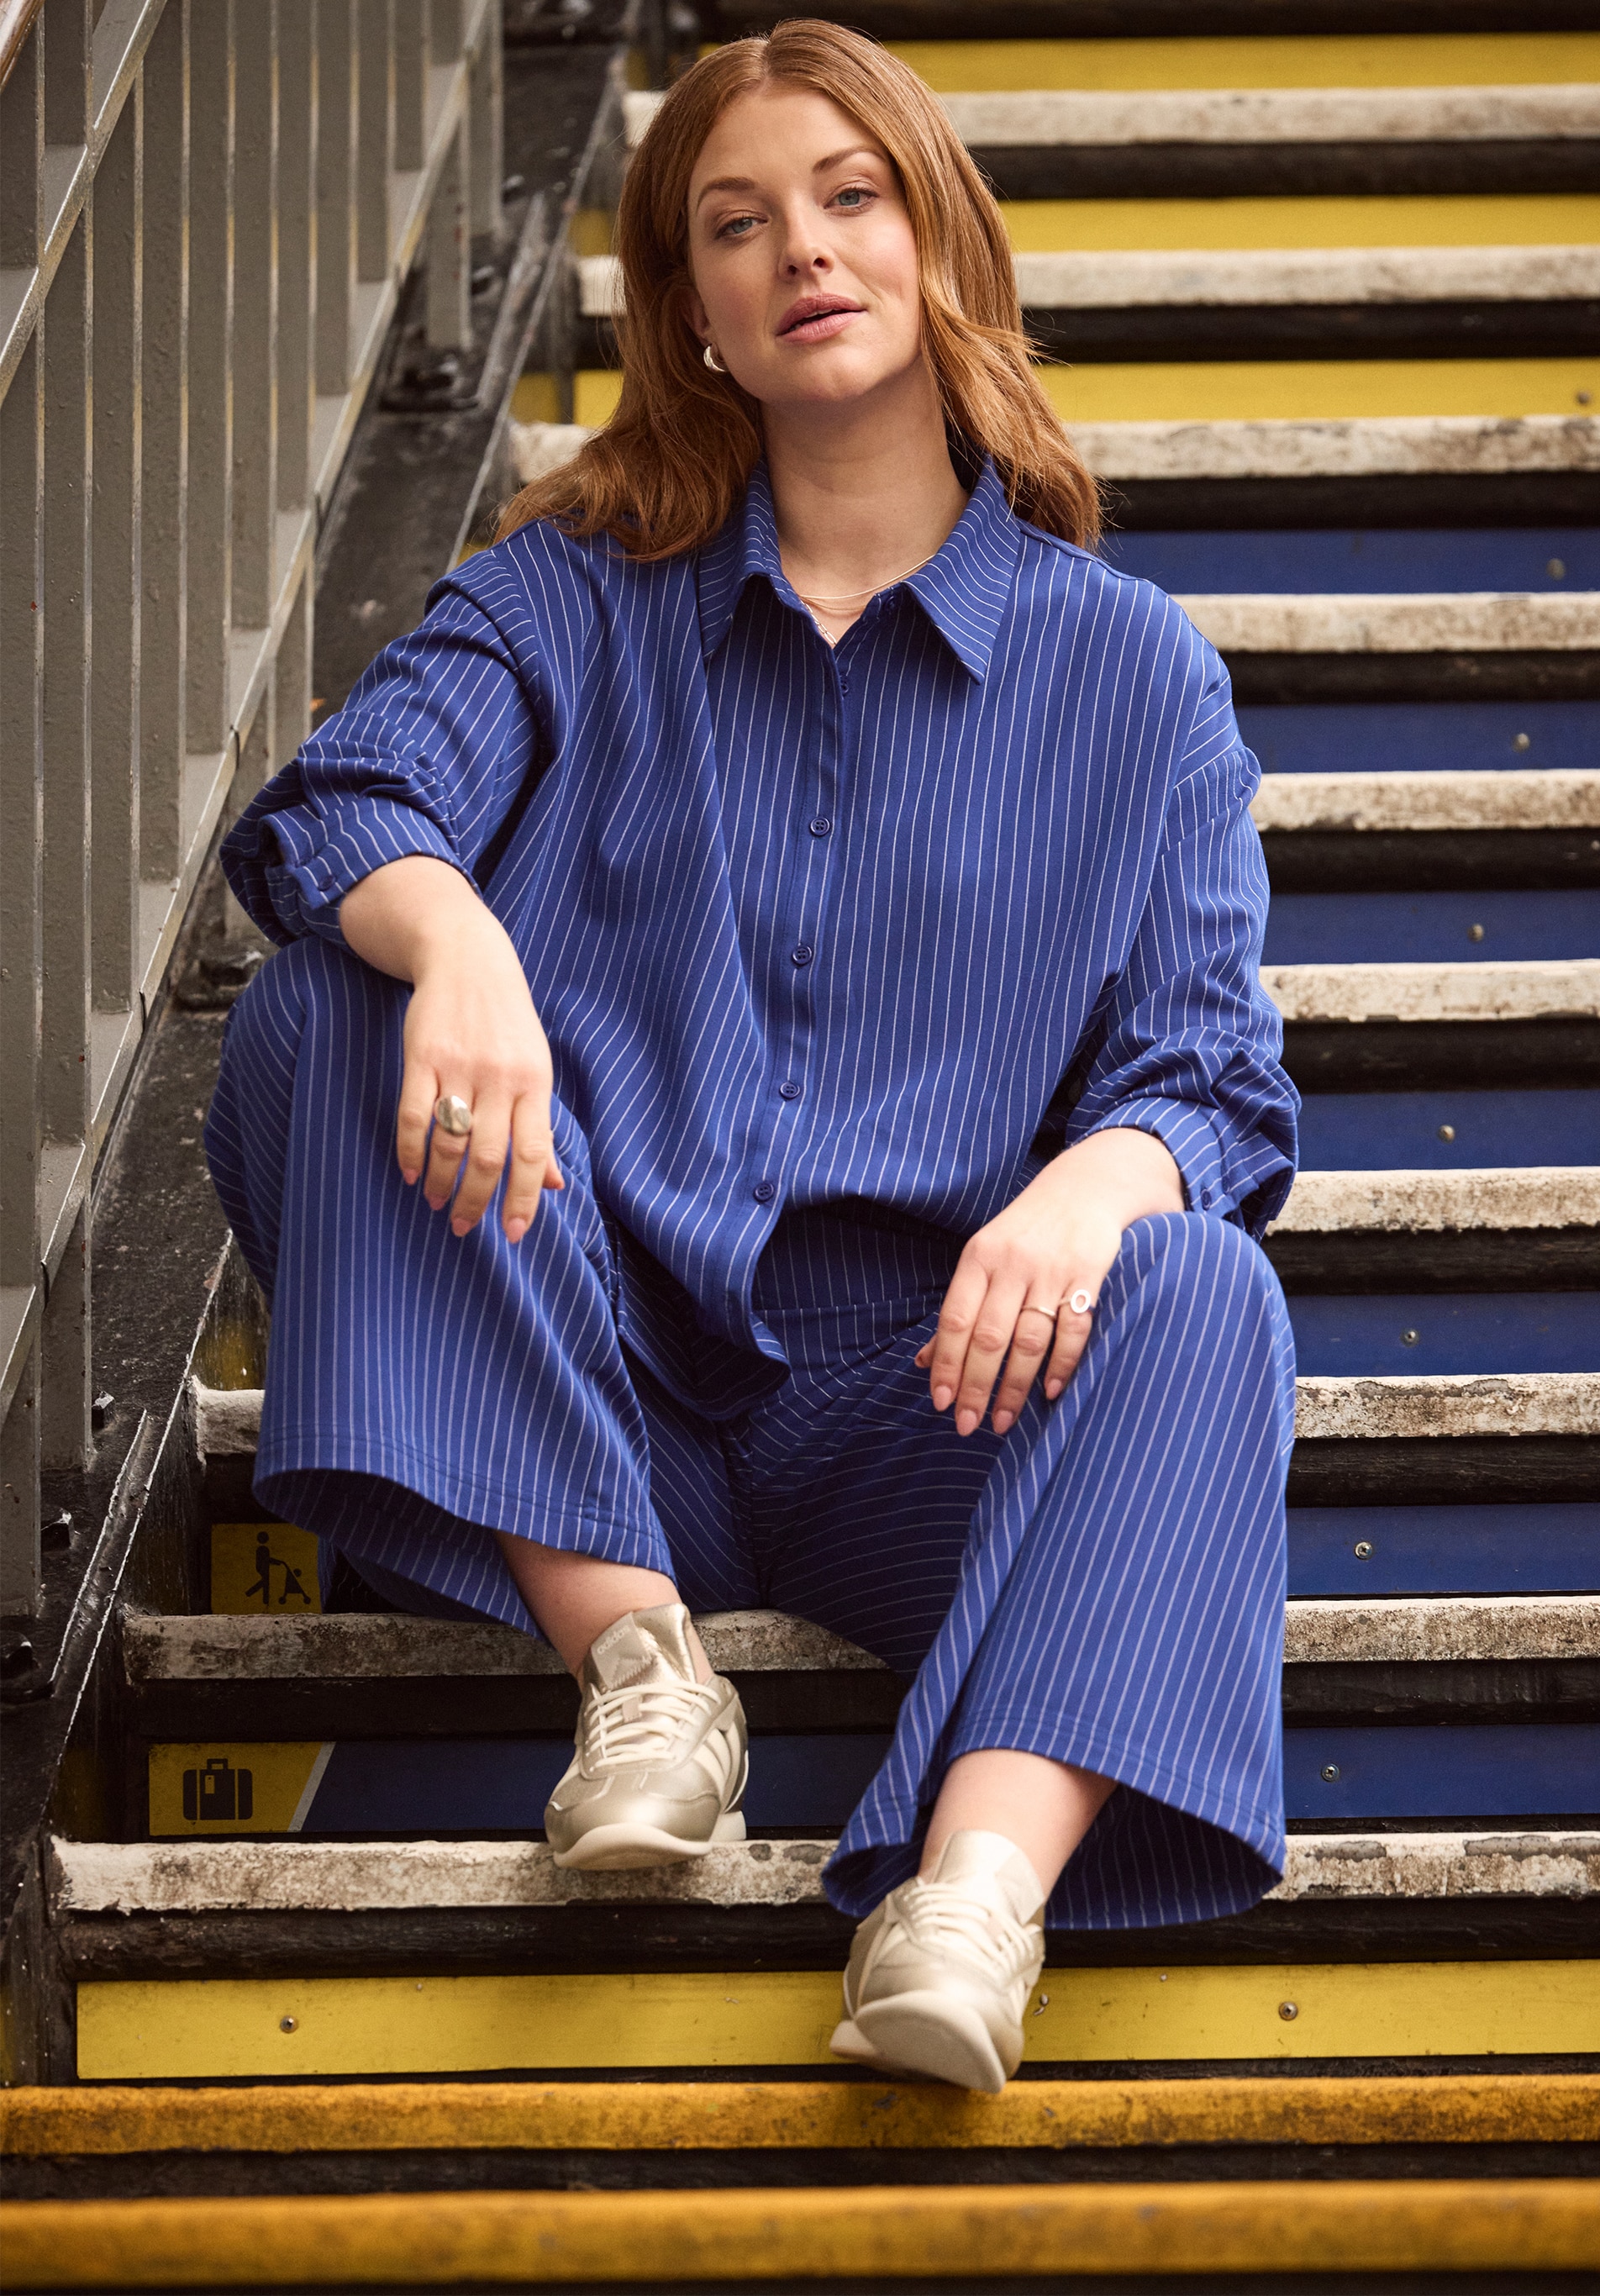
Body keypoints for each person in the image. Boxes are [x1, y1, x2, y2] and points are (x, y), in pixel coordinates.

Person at [206, 19, 1298, 2094]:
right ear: (693, 311)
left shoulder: (1129, 673)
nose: (800, 248)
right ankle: (639, 1668)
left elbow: (1213, 1074)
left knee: (1202, 1278)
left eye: (847, 195)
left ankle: (970, 1899)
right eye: (736, 221)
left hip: (931, 1411)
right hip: (581, 1374)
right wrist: (458, 942)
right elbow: (342, 806)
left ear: (935, 240)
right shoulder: (570, 597)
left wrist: (1099, 1172)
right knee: (326, 999)